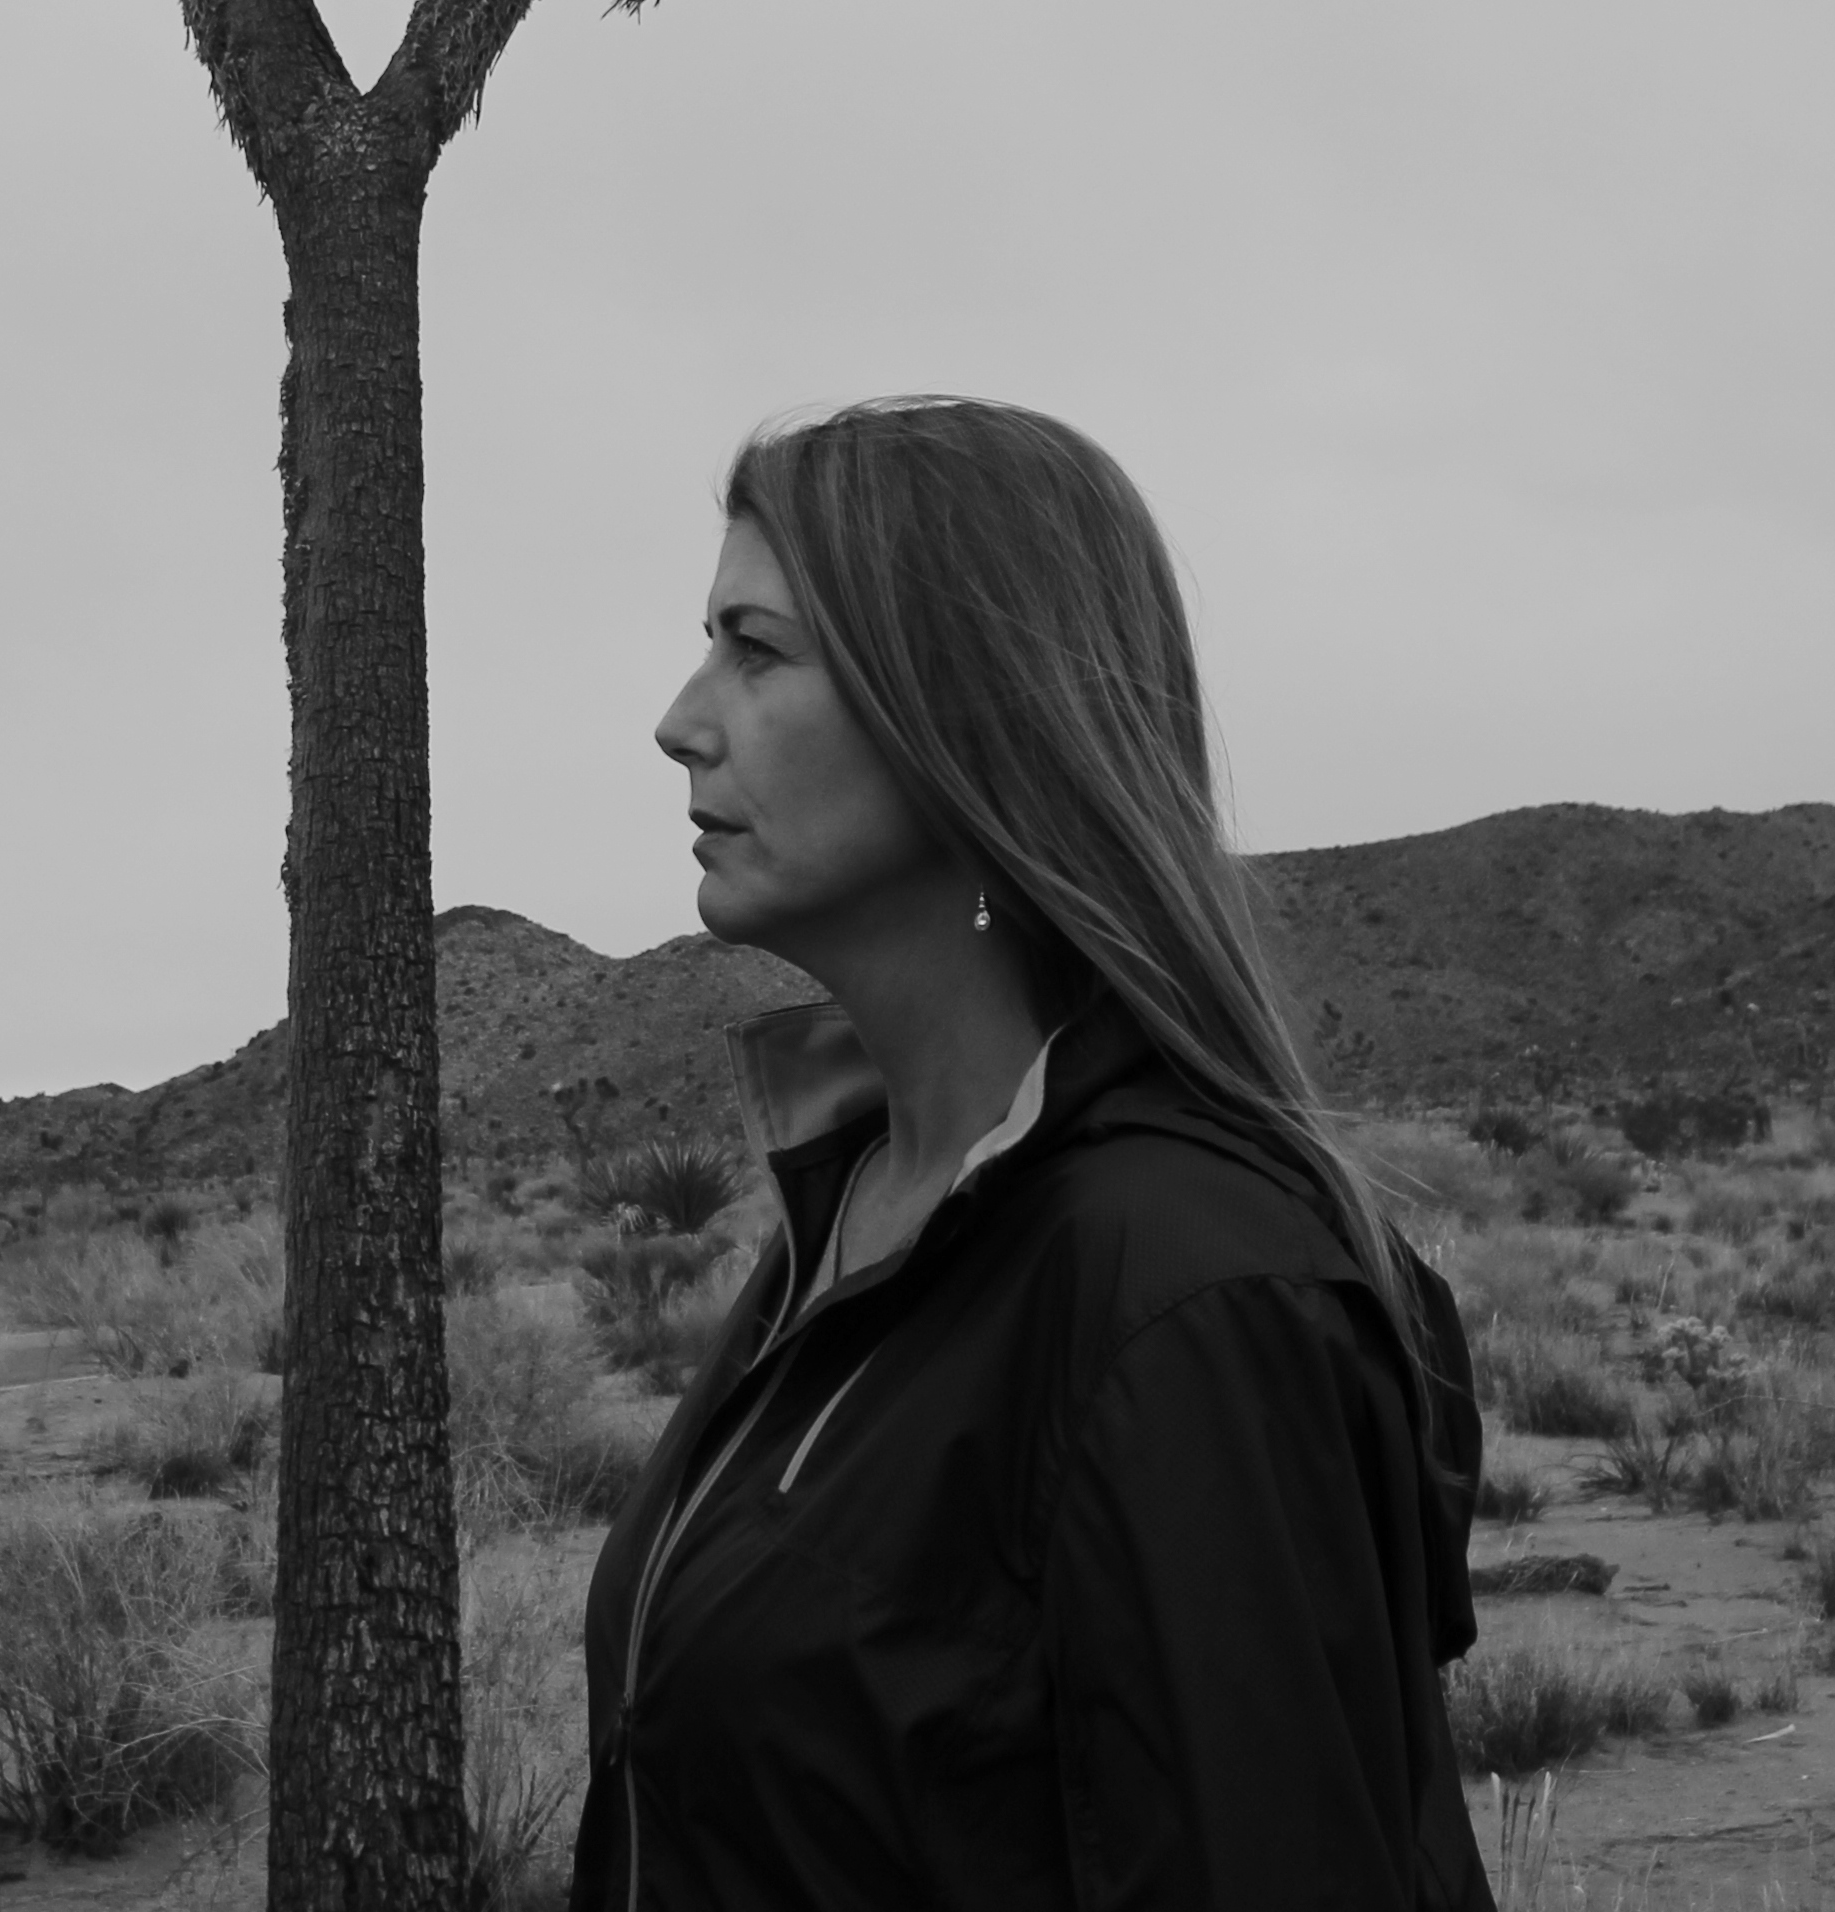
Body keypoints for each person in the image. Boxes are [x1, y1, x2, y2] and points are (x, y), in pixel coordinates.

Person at [577, 396, 1493, 1910]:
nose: (681, 720)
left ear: (963, 720)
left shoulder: (1186, 1299)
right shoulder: (858, 1208)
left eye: (757, 650)